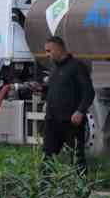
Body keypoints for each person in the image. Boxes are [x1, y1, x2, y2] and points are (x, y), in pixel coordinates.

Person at [29, 35, 94, 170]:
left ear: (59, 49)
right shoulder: (54, 68)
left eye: (49, 51)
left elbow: (89, 92)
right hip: (53, 121)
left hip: (71, 122)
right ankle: (45, 187)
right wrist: (41, 89)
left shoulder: (77, 67)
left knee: (76, 157)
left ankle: (80, 188)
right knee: (47, 156)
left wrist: (80, 111)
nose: (47, 54)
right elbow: (55, 90)